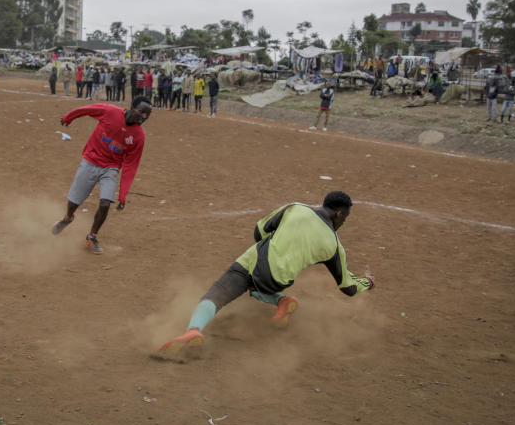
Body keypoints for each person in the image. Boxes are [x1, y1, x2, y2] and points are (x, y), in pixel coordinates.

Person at [157, 191, 375, 357]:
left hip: (255, 264)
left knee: (219, 292)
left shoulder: (296, 208)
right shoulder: (335, 246)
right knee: (257, 286)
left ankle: (193, 330)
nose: (344, 222)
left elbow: (259, 231)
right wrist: (367, 282)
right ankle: (282, 300)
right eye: (345, 218)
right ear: (339, 213)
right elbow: (348, 287)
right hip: (279, 281)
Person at [51, 96, 153, 255]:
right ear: (132, 107)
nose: (144, 117)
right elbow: (87, 110)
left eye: (148, 115)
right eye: (141, 112)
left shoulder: (139, 136)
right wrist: (68, 117)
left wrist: (123, 195)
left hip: (111, 168)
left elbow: (131, 165)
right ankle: (68, 217)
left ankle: (92, 236)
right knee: (74, 201)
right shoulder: (110, 112)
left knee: (105, 202)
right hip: (91, 160)